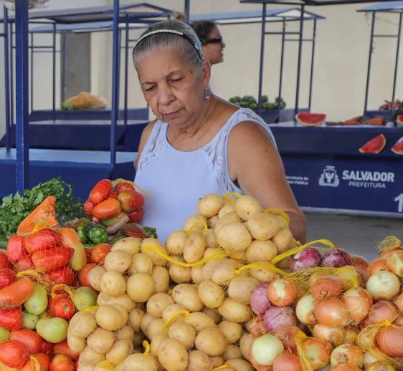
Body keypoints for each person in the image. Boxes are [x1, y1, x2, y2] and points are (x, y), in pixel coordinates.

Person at [131, 19, 307, 241]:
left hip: (219, 275)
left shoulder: (241, 136)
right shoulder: (151, 135)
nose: (164, 99)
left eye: (175, 80)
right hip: (148, 273)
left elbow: (296, 225)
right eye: (150, 88)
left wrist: (228, 236)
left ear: (204, 73)